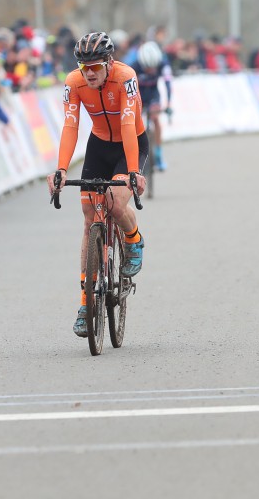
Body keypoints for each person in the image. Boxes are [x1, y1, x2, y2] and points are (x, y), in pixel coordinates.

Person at [46, 31, 148, 338]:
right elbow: (70, 125)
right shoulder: (73, 82)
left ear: (109, 62)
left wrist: (132, 171)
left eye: (95, 67)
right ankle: (85, 303)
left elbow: (129, 124)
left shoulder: (126, 77)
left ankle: (133, 240)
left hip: (131, 145)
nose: (88, 73)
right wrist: (61, 169)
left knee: (116, 203)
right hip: (100, 145)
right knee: (89, 217)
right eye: (83, 66)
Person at [131, 39, 173, 170]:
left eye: (152, 68)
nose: (150, 70)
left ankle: (159, 153)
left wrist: (169, 103)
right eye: (147, 68)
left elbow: (168, 85)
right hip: (139, 95)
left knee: (155, 118)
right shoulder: (134, 66)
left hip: (154, 94)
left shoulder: (163, 64)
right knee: (134, 123)